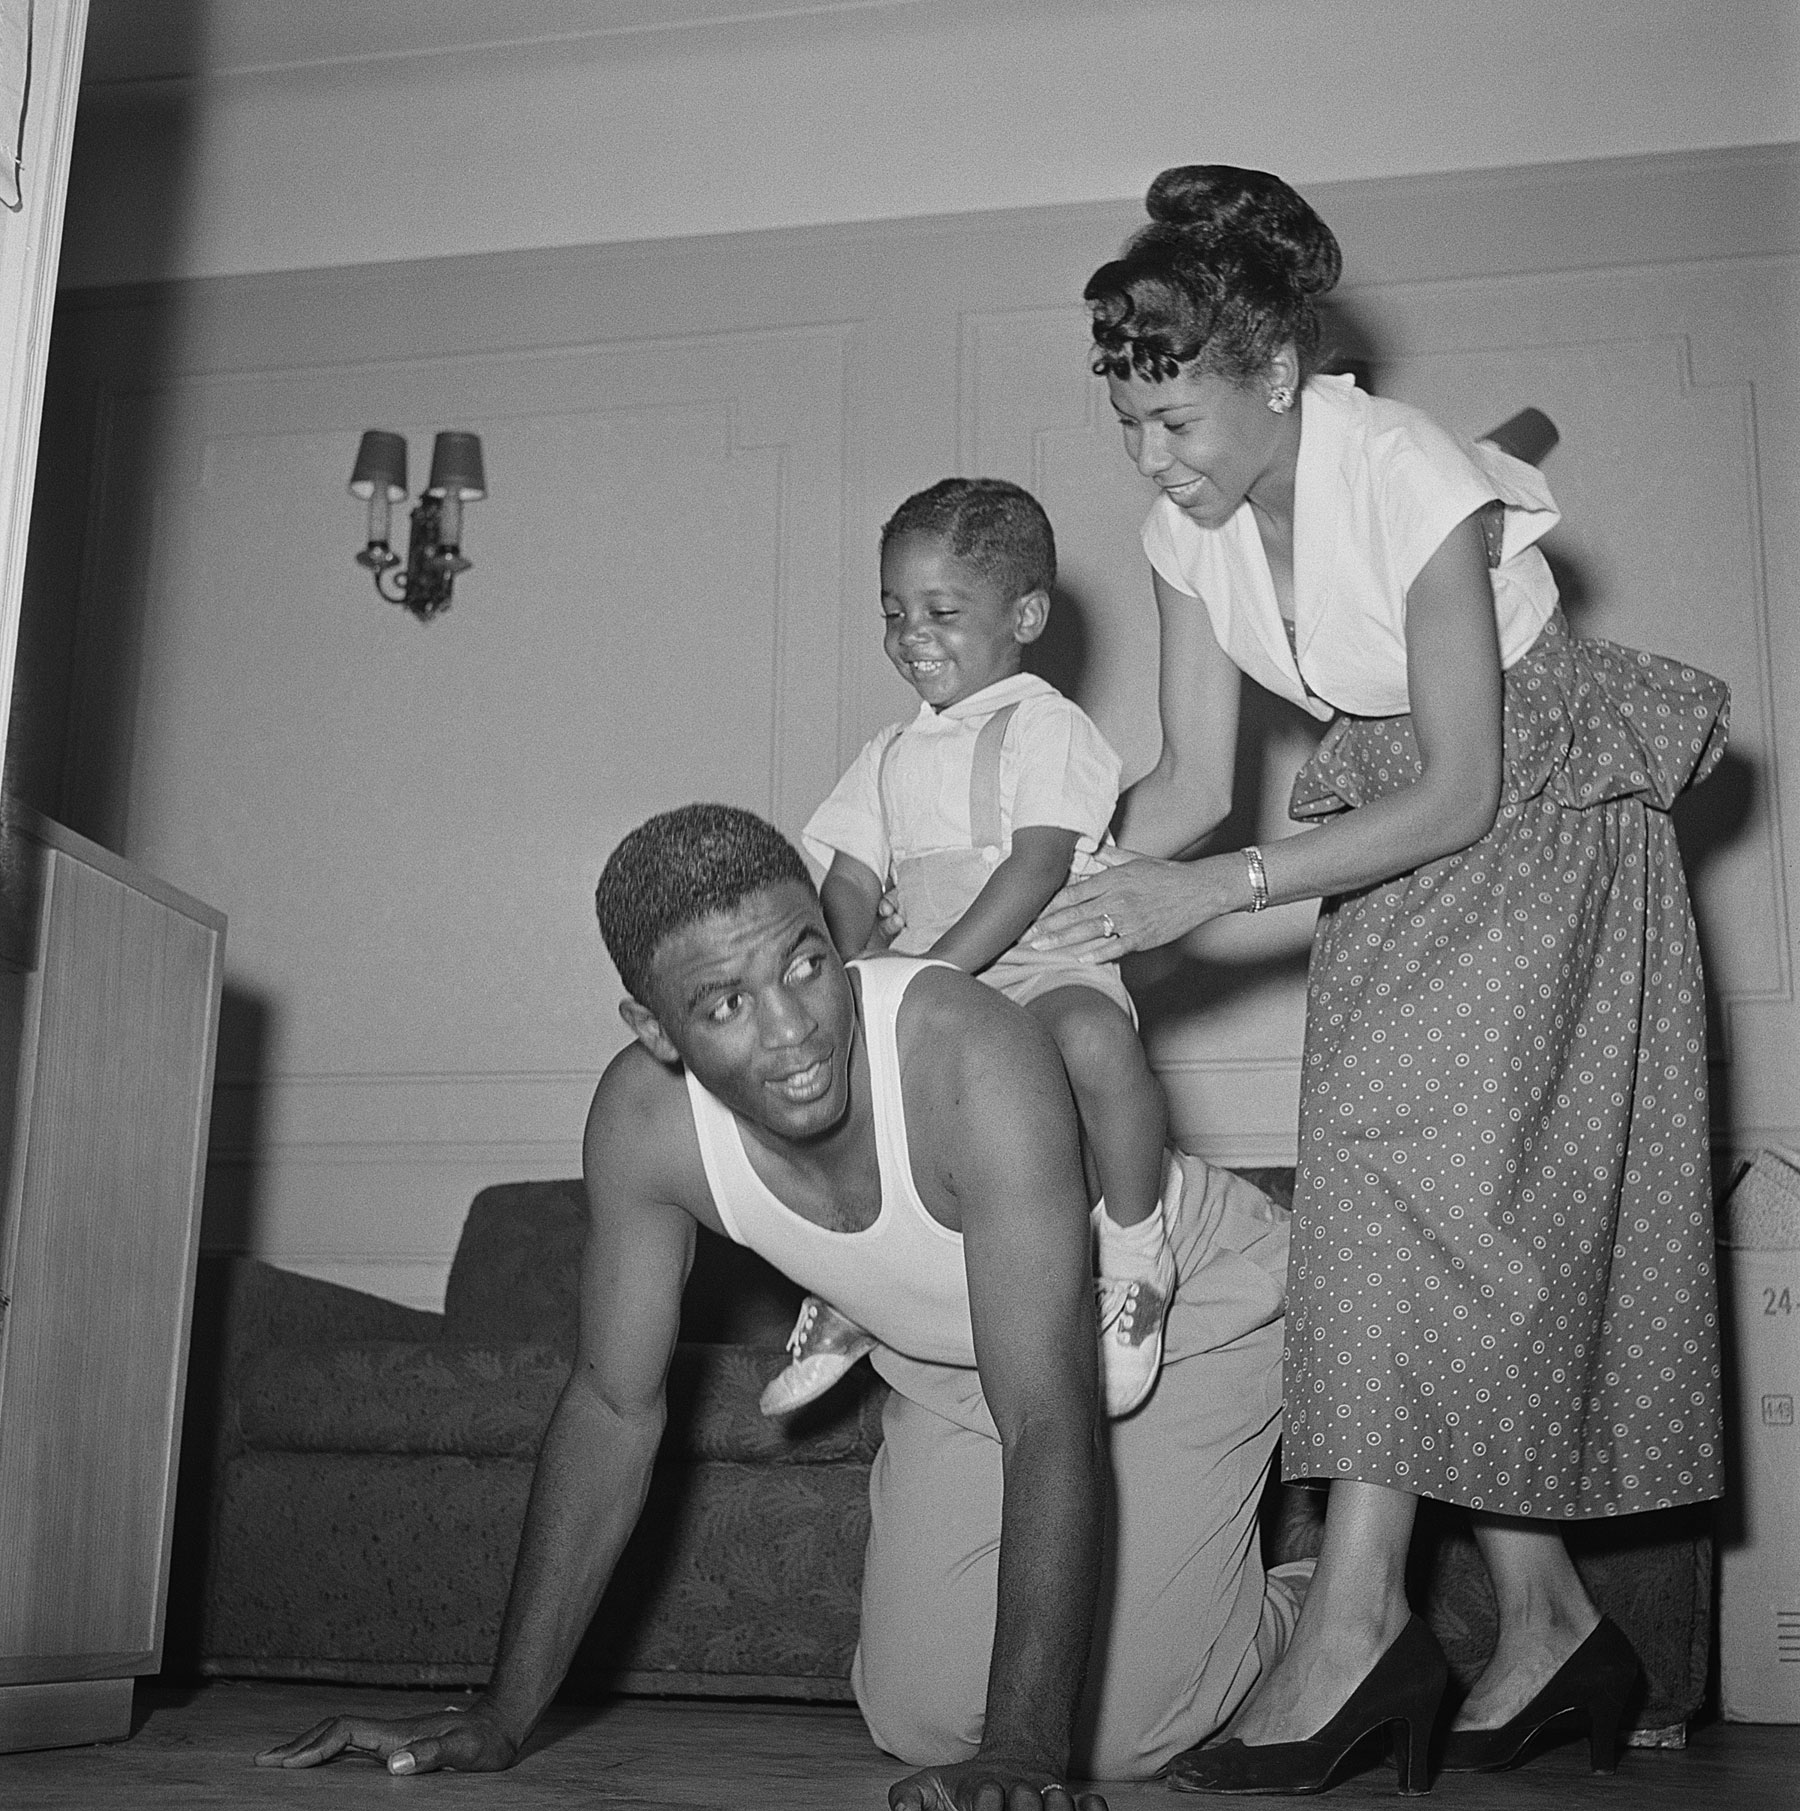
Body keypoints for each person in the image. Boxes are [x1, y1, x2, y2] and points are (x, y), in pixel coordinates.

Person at [1030, 165, 1729, 1796]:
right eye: (1128, 422)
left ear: (1275, 374)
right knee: (1421, 1219)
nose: (1153, 459)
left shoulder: (1409, 468)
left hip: (1539, 828)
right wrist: (1067, 882)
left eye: (1178, 420)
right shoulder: (1181, 532)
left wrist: (1217, 885)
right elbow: (1195, 779)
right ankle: (1549, 1619)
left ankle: (1355, 1633)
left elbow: (1463, 785)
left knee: (1420, 1209)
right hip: (1383, 844)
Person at [255, 803, 1306, 1804]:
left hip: (1171, 1304)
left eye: (807, 963)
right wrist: (501, 1711)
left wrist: (1029, 1749)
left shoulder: (970, 1051)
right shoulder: (641, 1124)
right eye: (725, 1004)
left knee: (1117, 1735)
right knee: (920, 1722)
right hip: (948, 1360)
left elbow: (1046, 1414)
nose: (795, 1028)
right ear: (654, 1028)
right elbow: (613, 1409)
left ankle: (1326, 1597)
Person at [766, 477, 1173, 1421]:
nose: (913, 633)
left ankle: (1137, 1242)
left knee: (1098, 1044)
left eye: (942, 612)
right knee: (861, 1103)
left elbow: (1034, 868)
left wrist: (934, 971)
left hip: (1038, 963)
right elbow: (850, 879)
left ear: (1024, 613)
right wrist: (861, 957)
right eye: (894, 611)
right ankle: (854, 1282)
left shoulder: (1046, 726)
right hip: (927, 981)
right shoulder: (888, 754)